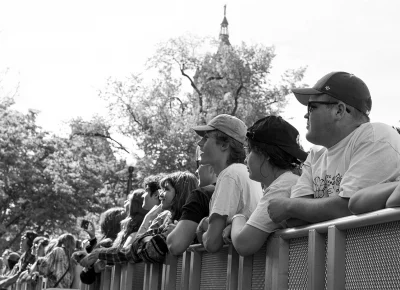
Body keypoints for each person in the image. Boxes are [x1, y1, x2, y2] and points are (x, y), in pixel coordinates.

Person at [266, 71, 400, 226]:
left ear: (339, 110)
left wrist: (289, 206)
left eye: (311, 107)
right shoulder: (316, 154)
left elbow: (348, 207)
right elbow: (293, 219)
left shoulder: (375, 136)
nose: (305, 115)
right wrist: (295, 209)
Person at [225, 116, 307, 256]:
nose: (245, 159)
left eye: (249, 150)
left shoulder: (282, 186)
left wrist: (236, 219)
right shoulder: (289, 181)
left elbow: (244, 243)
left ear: (265, 154)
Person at [80, 171, 198, 266]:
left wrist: (146, 239)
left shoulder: (186, 224)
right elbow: (132, 250)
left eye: (166, 189)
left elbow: (143, 252)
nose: (161, 194)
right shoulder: (166, 221)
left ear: (180, 194)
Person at [193, 114, 263, 253]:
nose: (200, 144)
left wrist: (201, 228)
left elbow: (212, 243)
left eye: (206, 138)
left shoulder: (230, 175)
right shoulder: (241, 172)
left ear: (224, 145)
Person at [167, 163, 217, 255]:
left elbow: (175, 244)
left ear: (211, 168)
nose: (196, 171)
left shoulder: (201, 195)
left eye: (201, 164)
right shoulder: (246, 189)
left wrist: (175, 232)